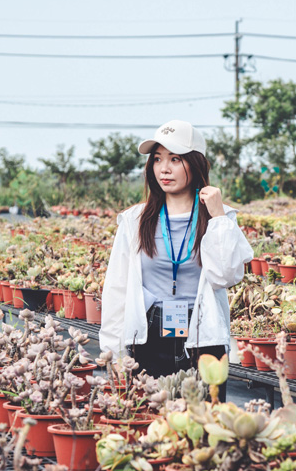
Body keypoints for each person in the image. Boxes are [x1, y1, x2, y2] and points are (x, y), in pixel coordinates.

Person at [99, 120, 254, 378]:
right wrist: (113, 352)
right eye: (157, 159)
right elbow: (117, 289)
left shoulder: (221, 218)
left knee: (205, 405)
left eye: (174, 159)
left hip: (203, 335)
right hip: (149, 335)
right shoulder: (135, 220)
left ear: (195, 163)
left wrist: (217, 218)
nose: (164, 169)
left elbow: (225, 277)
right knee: (151, 404)